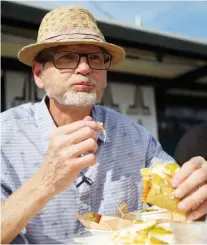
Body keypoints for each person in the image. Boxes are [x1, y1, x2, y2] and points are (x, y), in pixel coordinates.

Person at [1, 6, 207, 244]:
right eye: (67, 57)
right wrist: (46, 181)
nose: (85, 68)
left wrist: (196, 191)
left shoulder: (136, 138)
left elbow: (180, 206)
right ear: (38, 74)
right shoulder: (5, 136)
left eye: (96, 58)